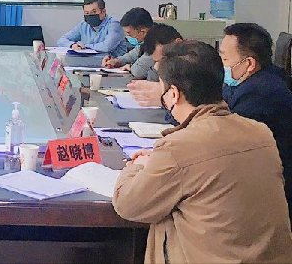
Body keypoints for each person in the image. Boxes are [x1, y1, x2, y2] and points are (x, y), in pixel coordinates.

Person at [113, 41, 292, 263]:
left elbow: (128, 205)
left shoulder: (178, 147)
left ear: (173, 94)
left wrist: (137, 167)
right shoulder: (261, 132)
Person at [220, 23, 292, 221]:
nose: (221, 64)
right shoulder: (245, 81)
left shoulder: (260, 93)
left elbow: (226, 140)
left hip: (271, 192)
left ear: (249, 63)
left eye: (225, 58)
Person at [127, 24, 183, 105]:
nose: (160, 65)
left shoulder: (195, 61)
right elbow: (152, 83)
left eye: (165, 58)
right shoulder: (159, 62)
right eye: (158, 61)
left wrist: (165, 93)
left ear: (178, 42)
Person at [57, 0, 127, 56]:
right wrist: (72, 45)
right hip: (90, 63)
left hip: (113, 64)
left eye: (94, 12)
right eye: (87, 13)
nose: (90, 15)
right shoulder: (83, 25)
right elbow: (61, 40)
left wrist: (85, 46)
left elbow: (107, 46)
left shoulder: (114, 24)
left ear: (103, 12)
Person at [102, 7, 154, 79]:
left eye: (129, 33)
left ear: (142, 32)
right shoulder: (147, 40)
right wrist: (116, 61)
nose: (127, 36)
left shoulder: (158, 43)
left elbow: (138, 71)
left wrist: (130, 67)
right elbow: (132, 55)